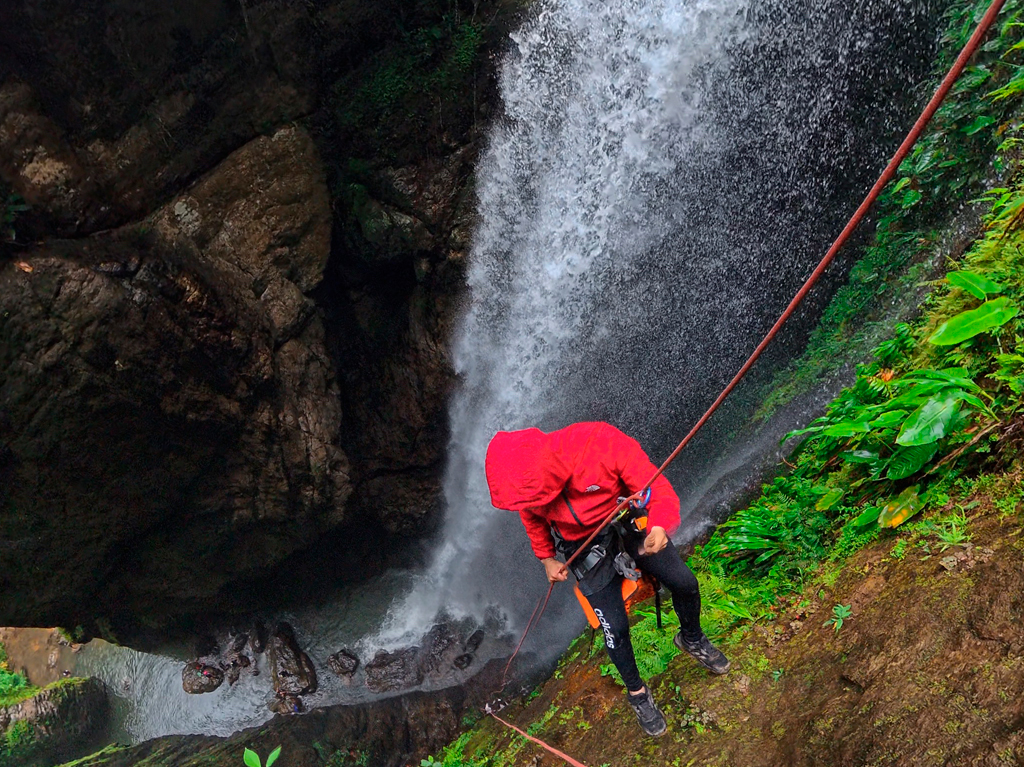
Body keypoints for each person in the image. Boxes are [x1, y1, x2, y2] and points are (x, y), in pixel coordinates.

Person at [485, 421, 729, 737]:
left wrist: (659, 525)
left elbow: (653, 484)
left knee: (685, 583)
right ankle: (637, 692)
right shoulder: (530, 489)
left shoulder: (599, 442)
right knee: (615, 628)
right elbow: (532, 517)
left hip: (625, 520)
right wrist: (547, 558)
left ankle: (691, 638)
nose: (536, 502)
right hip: (583, 547)